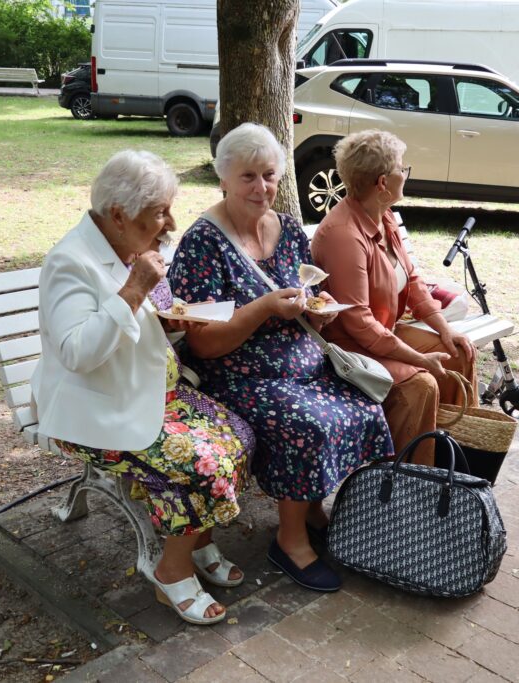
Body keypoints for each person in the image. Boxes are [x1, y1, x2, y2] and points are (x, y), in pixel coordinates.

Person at [31, 149, 255, 626]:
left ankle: (198, 540)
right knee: (201, 462)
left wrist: (178, 315)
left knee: (238, 434)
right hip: (97, 411)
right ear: (118, 214)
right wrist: (134, 290)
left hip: (153, 390)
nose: (171, 221)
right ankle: (170, 571)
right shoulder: (69, 262)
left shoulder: (128, 247)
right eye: (159, 212)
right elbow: (76, 352)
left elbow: (150, 322)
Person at [168, 123, 394, 593]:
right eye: (248, 176)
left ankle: (310, 510)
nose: (261, 187)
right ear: (224, 179)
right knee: (307, 423)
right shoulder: (203, 243)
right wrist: (266, 308)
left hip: (302, 362)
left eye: (269, 175)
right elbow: (203, 344)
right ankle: (289, 541)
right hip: (236, 374)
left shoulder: (288, 227)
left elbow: (307, 293)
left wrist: (319, 313)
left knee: (364, 406)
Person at [310, 129, 478, 466]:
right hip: (350, 347)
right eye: (403, 168)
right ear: (383, 182)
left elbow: (413, 281)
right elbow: (359, 325)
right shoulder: (344, 235)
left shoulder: (382, 214)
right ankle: (410, 484)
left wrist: (444, 329)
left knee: (458, 351)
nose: (406, 172)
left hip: (384, 334)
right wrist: (418, 359)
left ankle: (458, 467)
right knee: (423, 385)